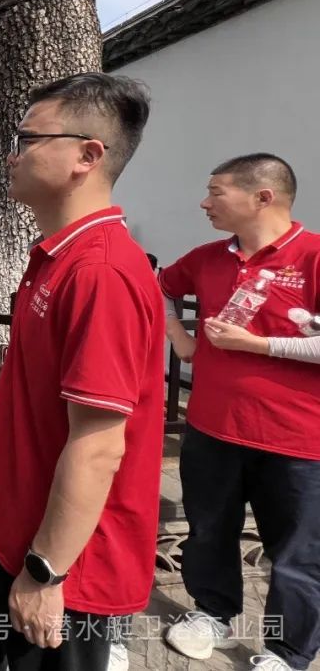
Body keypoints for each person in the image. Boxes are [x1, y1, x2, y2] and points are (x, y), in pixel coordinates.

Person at [0, 73, 164, 671]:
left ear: (87, 156)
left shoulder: (100, 272)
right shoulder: (58, 256)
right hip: (11, 532)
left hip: (64, 565)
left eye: (27, 139)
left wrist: (45, 572)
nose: (11, 154)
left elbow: (98, 446)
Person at [160, 154, 320, 671]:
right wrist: (180, 339)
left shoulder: (314, 256)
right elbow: (159, 287)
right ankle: (213, 614)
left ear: (262, 197)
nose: (205, 203)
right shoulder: (207, 258)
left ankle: (287, 652)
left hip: (298, 440)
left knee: (297, 553)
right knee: (209, 530)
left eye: (216, 192)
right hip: (212, 427)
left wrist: (261, 346)